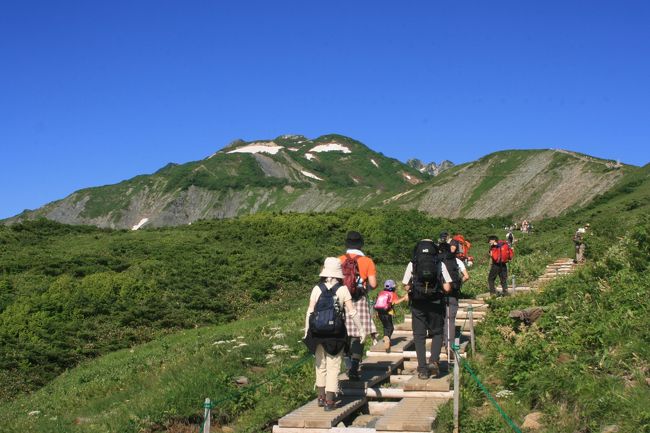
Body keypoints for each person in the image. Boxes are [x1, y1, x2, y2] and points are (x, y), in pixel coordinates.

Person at [303, 257, 364, 411]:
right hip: (336, 335)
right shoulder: (343, 290)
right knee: (333, 367)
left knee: (320, 365)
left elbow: (310, 311)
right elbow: (352, 313)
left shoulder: (317, 289)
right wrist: (361, 330)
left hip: (317, 334)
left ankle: (321, 397)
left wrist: (306, 331)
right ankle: (330, 402)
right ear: (338, 273)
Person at [402, 239, 453, 379]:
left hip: (418, 303)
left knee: (419, 337)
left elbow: (406, 285)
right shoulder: (439, 263)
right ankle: (434, 361)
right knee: (437, 333)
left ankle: (422, 370)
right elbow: (447, 287)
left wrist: (414, 289)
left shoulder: (413, 263)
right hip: (435, 303)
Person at [339, 231, 378, 380]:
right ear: (361, 244)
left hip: (341, 301)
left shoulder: (339, 260)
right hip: (359, 300)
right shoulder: (367, 261)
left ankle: (348, 364)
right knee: (358, 335)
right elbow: (373, 284)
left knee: (344, 333)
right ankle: (355, 366)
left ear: (347, 244)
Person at [440, 242, 470, 351]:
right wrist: (457, 284)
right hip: (453, 294)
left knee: (442, 318)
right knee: (451, 320)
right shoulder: (457, 261)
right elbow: (466, 276)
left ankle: (443, 341)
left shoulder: (438, 261)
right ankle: (450, 345)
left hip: (440, 294)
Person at [373, 279, 408, 352]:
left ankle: (387, 338)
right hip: (387, 313)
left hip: (379, 313)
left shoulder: (381, 292)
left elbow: (379, 303)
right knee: (391, 327)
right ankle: (387, 338)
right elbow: (395, 302)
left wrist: (376, 313)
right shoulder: (392, 294)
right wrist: (404, 298)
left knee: (385, 326)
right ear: (393, 287)